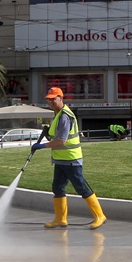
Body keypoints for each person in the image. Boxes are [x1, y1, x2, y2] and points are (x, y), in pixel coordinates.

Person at [32, 87, 106, 230]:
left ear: (61, 98)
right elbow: (56, 137)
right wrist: (48, 135)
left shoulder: (65, 116)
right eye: (49, 99)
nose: (51, 101)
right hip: (61, 160)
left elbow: (62, 141)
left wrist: (42, 146)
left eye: (54, 98)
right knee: (57, 188)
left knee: (81, 187)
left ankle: (100, 216)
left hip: (71, 160)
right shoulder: (58, 114)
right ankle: (60, 219)